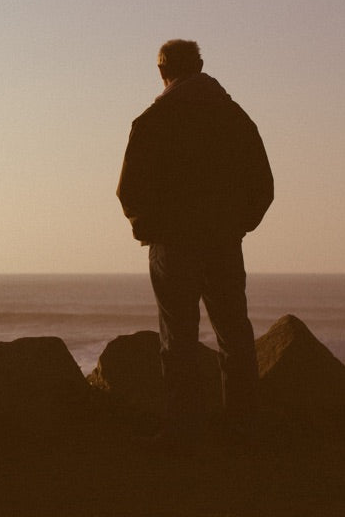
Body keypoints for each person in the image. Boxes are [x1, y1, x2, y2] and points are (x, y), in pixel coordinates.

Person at [117, 40, 273, 452]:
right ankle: (243, 427)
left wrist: (148, 229)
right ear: (200, 66)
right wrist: (238, 226)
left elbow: (128, 189)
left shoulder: (154, 120)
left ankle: (183, 430)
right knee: (234, 334)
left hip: (174, 245)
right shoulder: (235, 118)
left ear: (163, 71)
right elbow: (263, 186)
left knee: (178, 340)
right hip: (222, 242)